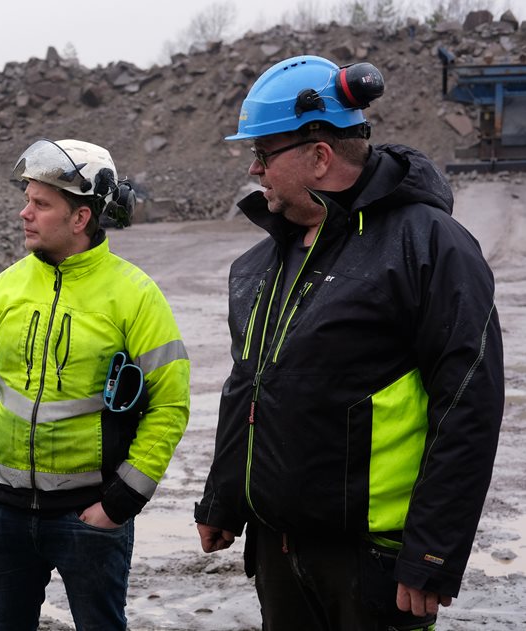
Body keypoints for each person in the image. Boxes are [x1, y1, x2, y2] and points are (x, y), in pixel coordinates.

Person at [194, 55, 504, 630]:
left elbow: (468, 407)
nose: (255, 171)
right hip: (278, 550)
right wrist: (222, 500)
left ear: (319, 154)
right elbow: (248, 383)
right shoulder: (263, 259)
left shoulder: (430, 246)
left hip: (374, 561)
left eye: (263, 154)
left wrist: (432, 552)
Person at [0, 138, 191, 630]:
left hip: (91, 517)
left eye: (40, 204)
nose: (25, 213)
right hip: (3, 513)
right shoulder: (3, 289)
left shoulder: (136, 295)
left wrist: (122, 501)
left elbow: (170, 404)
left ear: (80, 218)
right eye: (27, 200)